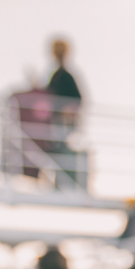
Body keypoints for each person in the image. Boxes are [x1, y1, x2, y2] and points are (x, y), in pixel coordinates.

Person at [45, 37, 85, 189]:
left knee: (62, 151)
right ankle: (59, 182)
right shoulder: (57, 75)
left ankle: (63, 183)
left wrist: (68, 111)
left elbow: (78, 99)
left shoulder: (64, 76)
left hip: (63, 125)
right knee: (57, 152)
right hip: (57, 124)